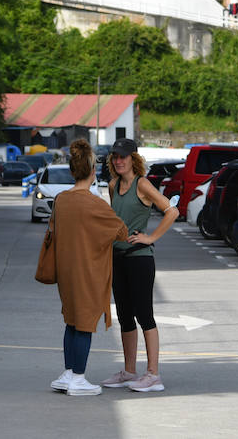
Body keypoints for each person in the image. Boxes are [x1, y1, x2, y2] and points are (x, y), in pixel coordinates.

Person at [49, 139, 129, 397]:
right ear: (93, 171)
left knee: (71, 321)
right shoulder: (95, 204)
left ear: (72, 171)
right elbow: (121, 232)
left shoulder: (61, 200)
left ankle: (69, 373)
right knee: (84, 323)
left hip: (66, 271)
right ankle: (79, 378)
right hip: (88, 271)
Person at [100, 138, 178, 393]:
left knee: (144, 314)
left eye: (123, 156)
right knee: (124, 316)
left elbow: (172, 211)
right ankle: (129, 370)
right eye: (115, 157)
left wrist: (151, 237)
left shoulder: (142, 184)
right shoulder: (113, 186)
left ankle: (153, 374)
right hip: (117, 258)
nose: (118, 161)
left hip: (140, 258)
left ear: (133, 159)